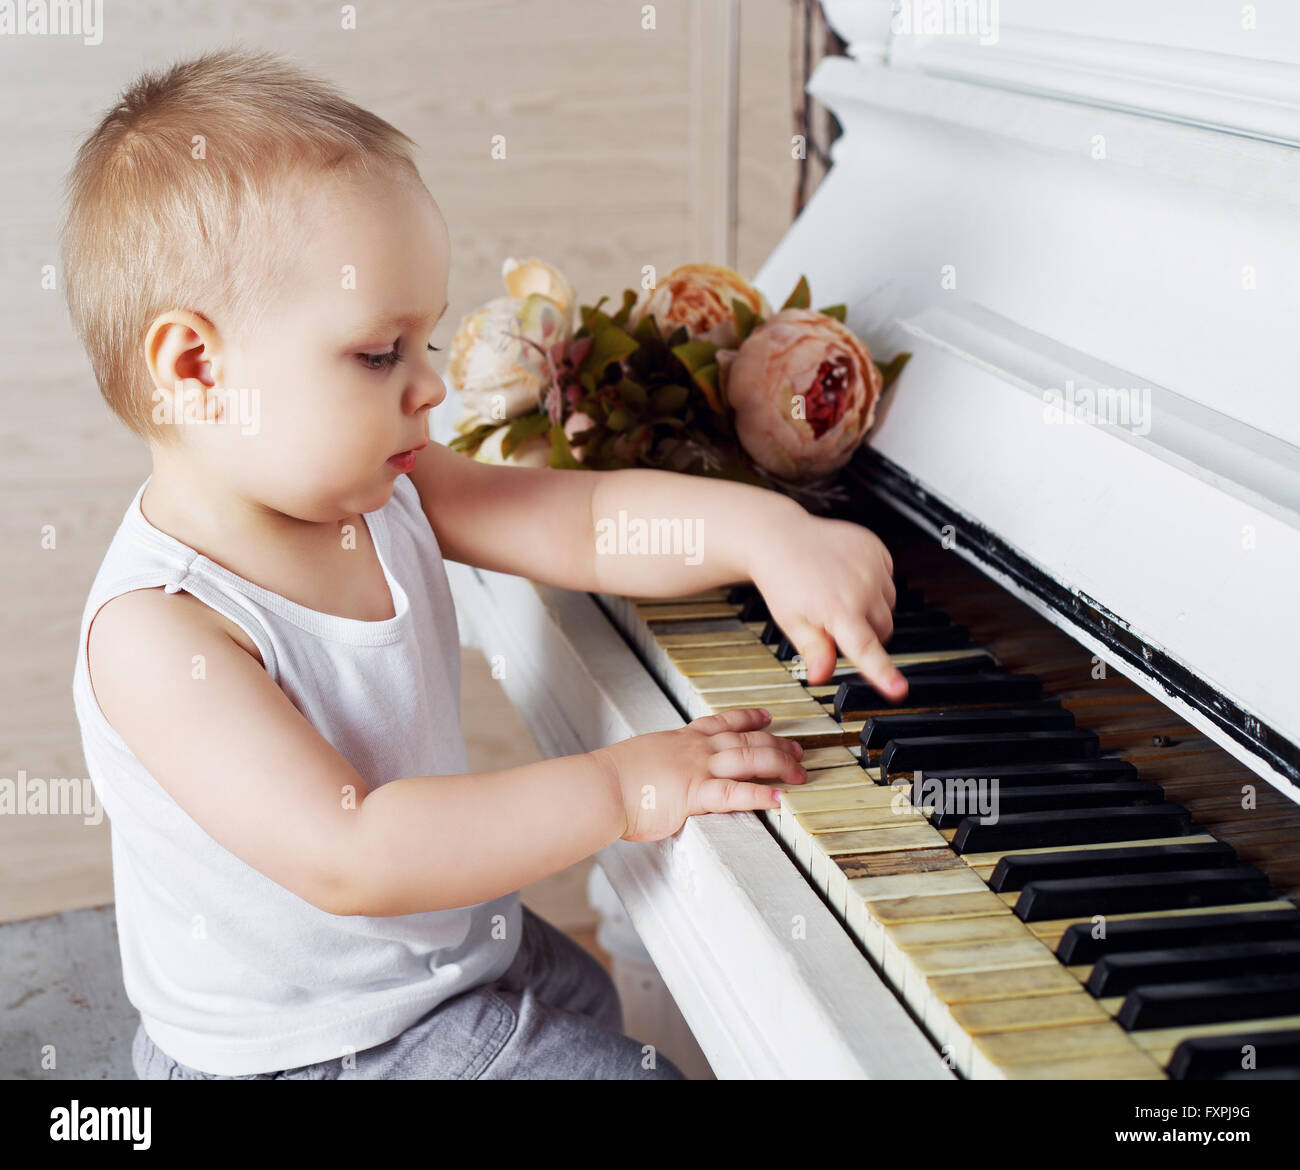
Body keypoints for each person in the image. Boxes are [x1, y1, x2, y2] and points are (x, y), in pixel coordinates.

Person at [62, 47, 903, 1080]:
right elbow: (354, 853)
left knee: (591, 1000)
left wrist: (768, 533)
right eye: (380, 353)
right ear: (197, 368)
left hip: (432, 960)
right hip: (313, 1051)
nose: (427, 387)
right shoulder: (163, 632)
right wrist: (624, 788)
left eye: (427, 341)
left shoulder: (390, 487)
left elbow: (587, 521)